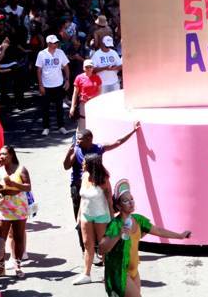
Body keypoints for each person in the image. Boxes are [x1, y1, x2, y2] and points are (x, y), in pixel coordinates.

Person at [100, 179, 191, 297]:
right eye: (126, 201)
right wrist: (118, 235)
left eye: (131, 199)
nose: (131, 203)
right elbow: (101, 249)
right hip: (120, 272)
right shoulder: (115, 225)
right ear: (118, 205)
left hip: (134, 272)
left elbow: (158, 230)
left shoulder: (138, 219)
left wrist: (179, 236)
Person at [72, 154, 113, 285]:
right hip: (86, 215)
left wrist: (113, 219)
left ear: (91, 164)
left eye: (84, 162)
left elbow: (109, 200)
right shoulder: (84, 176)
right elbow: (82, 199)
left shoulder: (104, 179)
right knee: (87, 244)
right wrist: (79, 216)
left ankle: (109, 274)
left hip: (101, 215)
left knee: (103, 246)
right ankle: (86, 274)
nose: (82, 164)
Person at [0, 144, 31, 277]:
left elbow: (28, 187)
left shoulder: (21, 169)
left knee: (18, 237)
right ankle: (1, 266)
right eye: (0, 154)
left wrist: (13, 184)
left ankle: (18, 265)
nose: (0, 156)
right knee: (0, 239)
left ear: (11, 155)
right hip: (3, 208)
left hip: (19, 207)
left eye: (3, 154)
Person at [35, 34, 70, 136]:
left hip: (59, 84)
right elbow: (39, 70)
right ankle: (46, 127)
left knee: (59, 107)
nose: (56, 44)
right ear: (48, 43)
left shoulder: (60, 53)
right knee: (45, 108)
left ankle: (61, 126)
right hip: (46, 85)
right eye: (54, 43)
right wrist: (40, 85)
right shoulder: (42, 54)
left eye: (56, 42)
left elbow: (66, 66)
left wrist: (67, 80)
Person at [70, 60, 102, 133]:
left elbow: (99, 92)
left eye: (90, 67)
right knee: (82, 124)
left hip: (94, 103)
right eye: (87, 67)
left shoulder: (97, 77)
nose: (89, 69)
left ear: (93, 68)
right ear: (83, 68)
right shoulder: (79, 78)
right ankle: (78, 141)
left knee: (94, 122)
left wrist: (92, 97)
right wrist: (72, 107)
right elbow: (75, 93)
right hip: (83, 103)